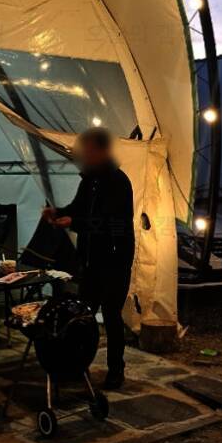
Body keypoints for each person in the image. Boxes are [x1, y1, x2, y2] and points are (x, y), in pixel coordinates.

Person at [43, 127, 134, 389]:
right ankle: (77, 365)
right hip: (91, 261)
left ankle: (116, 370)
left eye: (89, 150)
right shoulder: (89, 181)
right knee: (83, 316)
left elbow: (111, 222)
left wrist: (74, 222)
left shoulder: (118, 181)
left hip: (115, 261)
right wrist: (58, 212)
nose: (85, 154)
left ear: (103, 150)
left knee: (112, 316)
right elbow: (77, 208)